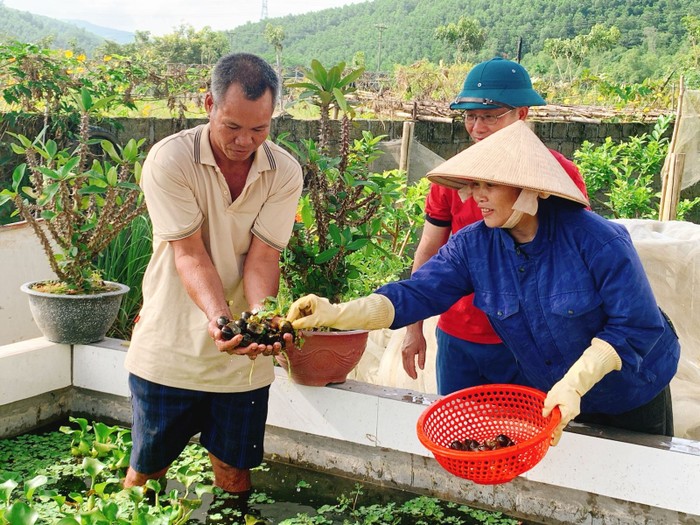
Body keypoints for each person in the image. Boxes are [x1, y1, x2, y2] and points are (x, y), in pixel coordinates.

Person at [286, 121, 679, 445]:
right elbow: (419, 292)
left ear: (528, 188)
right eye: (472, 187)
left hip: (632, 391)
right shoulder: (474, 245)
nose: (475, 198)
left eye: (487, 186)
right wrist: (338, 313)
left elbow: (637, 327)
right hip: (553, 397)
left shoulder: (597, 240)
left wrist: (576, 383)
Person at [123, 53, 303, 493]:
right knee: (146, 474)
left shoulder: (284, 171)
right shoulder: (171, 160)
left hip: (242, 367)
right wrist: (221, 320)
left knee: (234, 472)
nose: (245, 141)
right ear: (209, 103)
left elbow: (263, 258)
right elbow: (189, 253)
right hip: (170, 350)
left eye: (259, 129)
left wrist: (261, 320)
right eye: (233, 126)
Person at [400, 57, 590, 395]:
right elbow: (428, 251)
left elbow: (577, 263)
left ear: (522, 114)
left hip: (529, 339)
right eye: (470, 117)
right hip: (459, 335)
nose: (477, 128)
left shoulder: (557, 176)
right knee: (461, 433)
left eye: (489, 117)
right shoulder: (451, 178)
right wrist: (414, 328)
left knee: (522, 433)